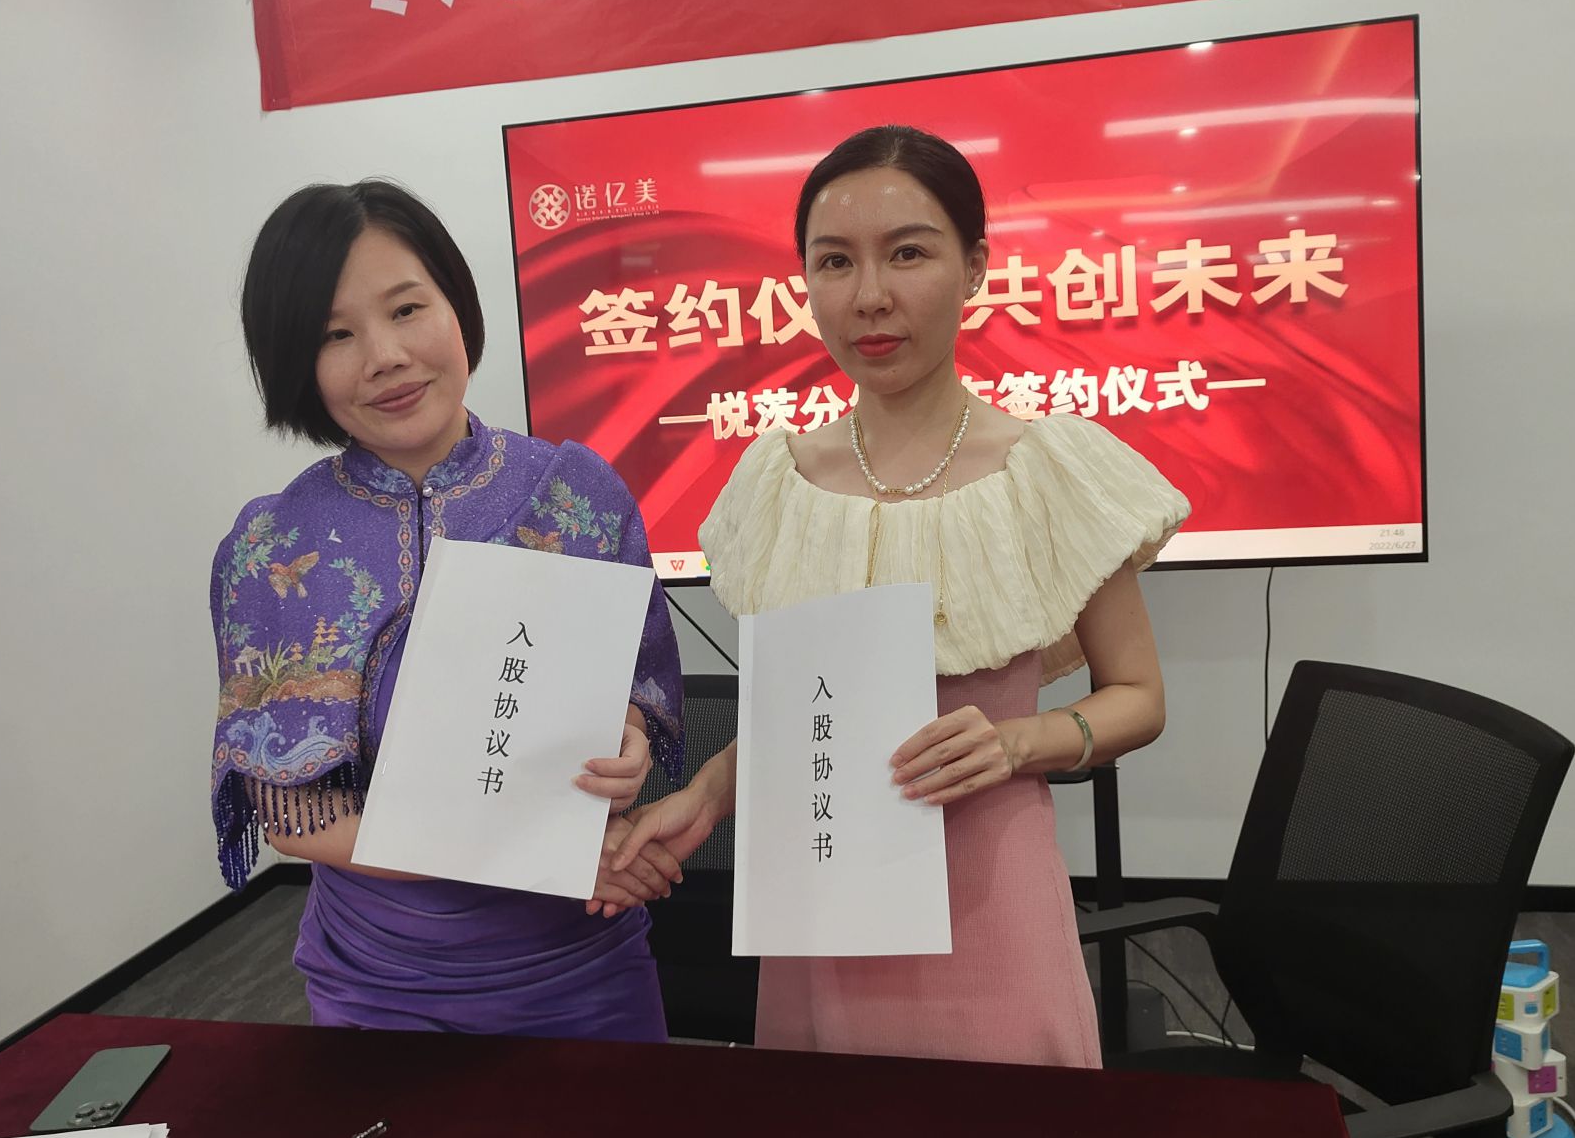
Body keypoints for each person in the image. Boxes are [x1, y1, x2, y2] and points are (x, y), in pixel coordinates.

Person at [616, 127, 1189, 1066]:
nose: (869, 296)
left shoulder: (1046, 470)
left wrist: (1017, 742)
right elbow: (804, 719)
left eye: (908, 253)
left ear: (976, 268)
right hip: (820, 906)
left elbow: (1140, 696)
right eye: (835, 261)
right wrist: (708, 798)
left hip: (991, 906)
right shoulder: (779, 483)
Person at [208, 179, 685, 1038]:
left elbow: (636, 700)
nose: (385, 355)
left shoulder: (577, 495)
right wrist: (531, 856)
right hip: (382, 987)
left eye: (406, 309)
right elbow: (291, 815)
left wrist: (629, 743)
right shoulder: (274, 549)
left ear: (457, 305)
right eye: (335, 335)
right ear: (294, 360)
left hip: (584, 965)